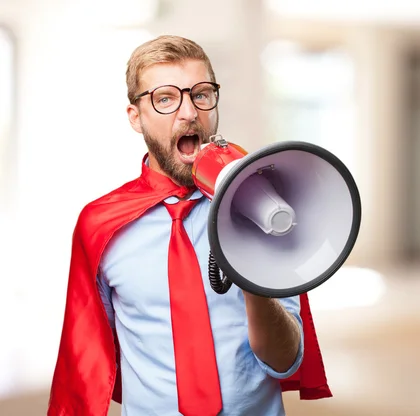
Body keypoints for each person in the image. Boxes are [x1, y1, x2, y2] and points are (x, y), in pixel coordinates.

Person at [48, 35, 331, 416]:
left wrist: (251, 272)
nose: (188, 113)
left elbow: (285, 360)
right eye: (165, 98)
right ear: (136, 117)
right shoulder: (101, 225)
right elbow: (88, 358)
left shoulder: (264, 205)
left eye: (201, 94)